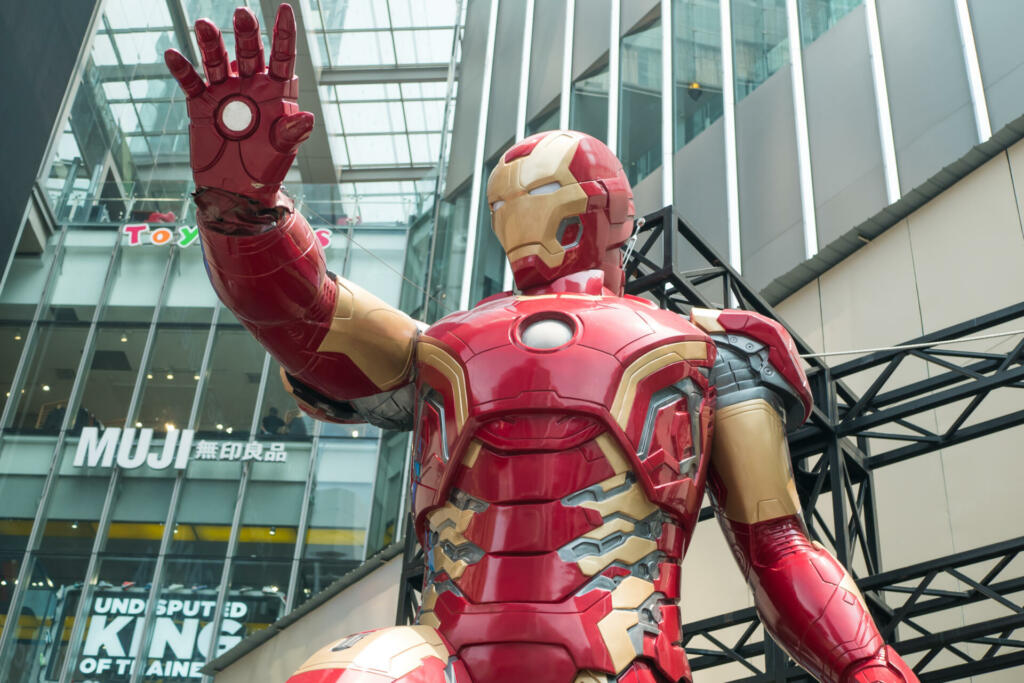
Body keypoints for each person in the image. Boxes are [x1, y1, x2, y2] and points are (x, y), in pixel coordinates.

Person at [165, 5, 917, 682]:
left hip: (619, 656)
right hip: (446, 653)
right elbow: (302, 313)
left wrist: (868, 665)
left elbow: (779, 547)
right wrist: (243, 210)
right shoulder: (448, 348)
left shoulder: (703, 350)